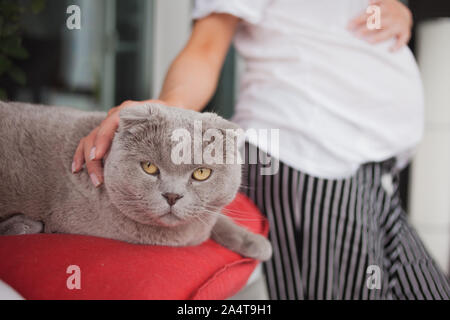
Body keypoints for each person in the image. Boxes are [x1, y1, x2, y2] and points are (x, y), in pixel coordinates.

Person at [72, 0, 450, 299]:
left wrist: (398, 11)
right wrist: (160, 114)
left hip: (369, 172)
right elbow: (205, 48)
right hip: (306, 156)